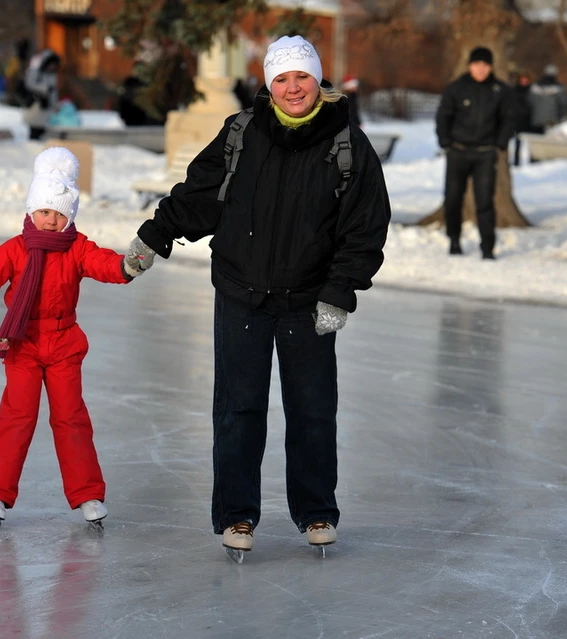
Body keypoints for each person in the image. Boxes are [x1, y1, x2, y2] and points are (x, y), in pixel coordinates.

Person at [126, 35, 391, 558]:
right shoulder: (241, 133)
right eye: (282, 78)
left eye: (302, 77)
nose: (293, 87)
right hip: (241, 294)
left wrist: (338, 292)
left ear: (318, 80)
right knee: (238, 409)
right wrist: (153, 238)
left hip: (309, 300)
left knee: (312, 411)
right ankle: (237, 514)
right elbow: (199, 195)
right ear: (269, 84)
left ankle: (316, 511)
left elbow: (364, 228)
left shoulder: (348, 145)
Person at [0, 147, 154, 528]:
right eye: (45, 211)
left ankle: (87, 495)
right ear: (32, 210)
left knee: (71, 419)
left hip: (64, 342)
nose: (51, 221)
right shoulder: (15, 250)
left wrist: (129, 264)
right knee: (16, 417)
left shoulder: (77, 247)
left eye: (60, 213)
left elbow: (106, 264)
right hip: (23, 343)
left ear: (70, 215)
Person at [435, 46, 514, 260]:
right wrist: (445, 141)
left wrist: (501, 144)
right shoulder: (456, 88)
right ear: (470, 65)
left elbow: (508, 119)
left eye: (485, 65)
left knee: (485, 201)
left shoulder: (500, 90)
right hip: (458, 152)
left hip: (485, 154)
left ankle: (487, 247)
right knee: (452, 198)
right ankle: (454, 240)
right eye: (477, 65)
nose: (481, 70)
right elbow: (443, 115)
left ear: (490, 67)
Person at [528, 63, 567, 133]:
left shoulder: (534, 87)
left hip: (536, 121)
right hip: (553, 122)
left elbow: (529, 102)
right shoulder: (559, 88)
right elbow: (565, 102)